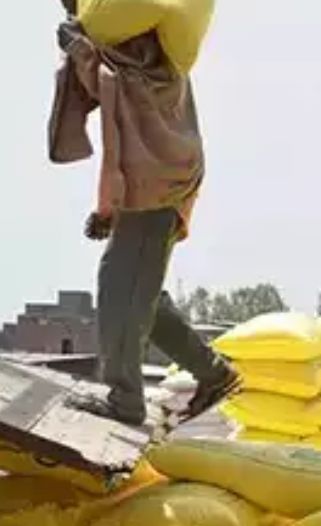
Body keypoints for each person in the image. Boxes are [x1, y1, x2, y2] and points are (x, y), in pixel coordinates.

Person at [49, 1, 240, 426]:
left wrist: (82, 53)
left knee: (120, 284)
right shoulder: (149, 42)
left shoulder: (132, 48)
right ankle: (213, 373)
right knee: (140, 291)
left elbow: (118, 112)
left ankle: (124, 400)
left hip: (158, 181)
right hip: (164, 177)